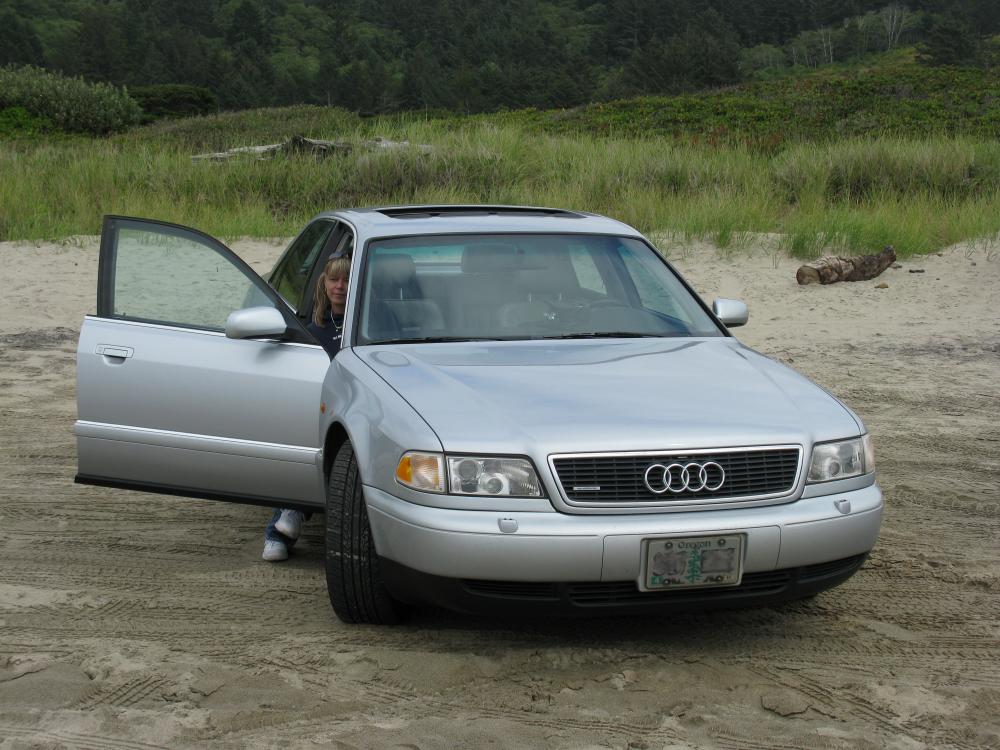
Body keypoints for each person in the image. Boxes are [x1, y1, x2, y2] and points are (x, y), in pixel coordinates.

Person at [263, 256, 351, 561]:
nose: (340, 286)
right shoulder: (313, 331)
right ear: (323, 284)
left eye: (347, 279)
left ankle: (292, 513)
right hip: (317, 410)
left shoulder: (366, 327)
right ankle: (283, 522)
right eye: (334, 280)